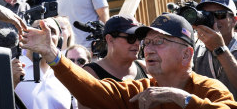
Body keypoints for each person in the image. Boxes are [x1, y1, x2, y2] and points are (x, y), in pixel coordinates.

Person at [22, 13, 237, 109]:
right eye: (148, 42)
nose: (149, 49)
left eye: (160, 41)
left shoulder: (209, 89)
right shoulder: (140, 91)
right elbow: (92, 90)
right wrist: (52, 53)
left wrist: (182, 99)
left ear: (187, 54)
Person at [15, 18, 73, 109]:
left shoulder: (67, 72)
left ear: (59, 40)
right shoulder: (11, 68)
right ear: (25, 35)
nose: (45, 34)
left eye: (52, 31)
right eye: (39, 28)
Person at [193, 0, 237, 97]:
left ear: (234, 20)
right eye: (205, 15)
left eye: (219, 14)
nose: (213, 20)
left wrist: (219, 49)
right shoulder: (196, 48)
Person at [82, 15, 148, 82]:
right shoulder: (90, 73)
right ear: (110, 39)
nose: (137, 43)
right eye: (131, 38)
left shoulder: (145, 68)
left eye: (139, 38)